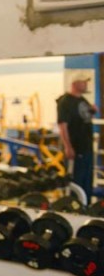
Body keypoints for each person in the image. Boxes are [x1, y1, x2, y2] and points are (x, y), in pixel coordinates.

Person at [57, 74, 97, 203]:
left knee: (87, 183)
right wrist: (68, 147)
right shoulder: (65, 102)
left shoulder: (83, 100)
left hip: (87, 148)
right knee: (76, 183)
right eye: (83, 82)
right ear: (74, 84)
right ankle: (74, 208)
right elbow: (62, 125)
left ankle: (86, 207)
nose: (86, 85)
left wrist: (92, 111)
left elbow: (83, 116)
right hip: (76, 148)